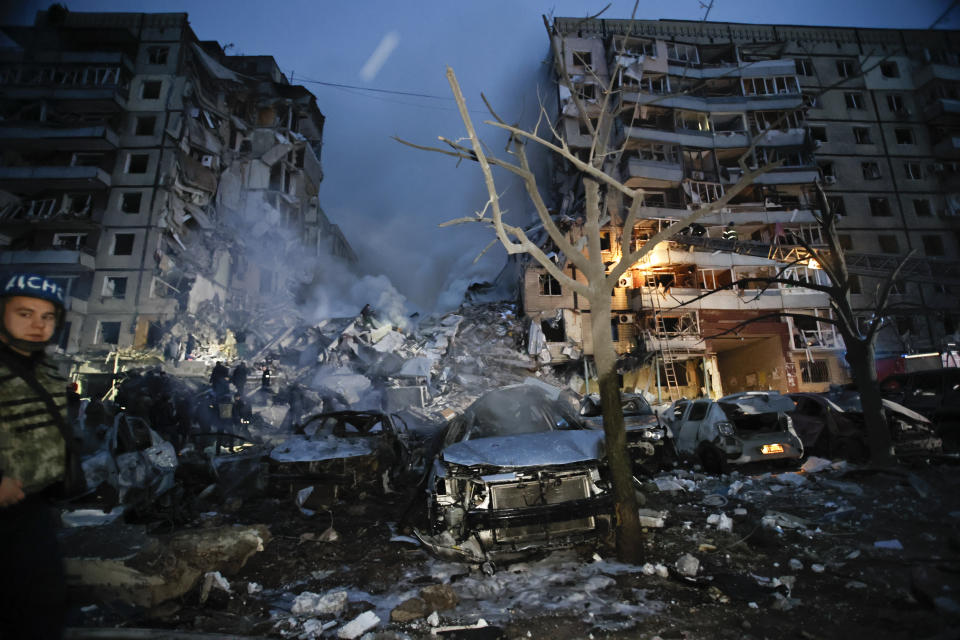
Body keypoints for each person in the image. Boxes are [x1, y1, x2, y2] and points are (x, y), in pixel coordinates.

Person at [0, 273, 85, 639]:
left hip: (34, 505)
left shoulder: (47, 370)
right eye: (25, 313)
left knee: (43, 603)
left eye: (47, 317)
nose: (37, 325)